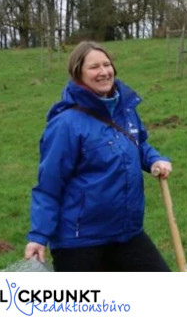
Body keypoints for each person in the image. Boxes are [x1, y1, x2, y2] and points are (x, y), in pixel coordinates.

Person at [24, 41, 173, 271]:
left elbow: (138, 143)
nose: (103, 72)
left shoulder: (125, 109)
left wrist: (153, 159)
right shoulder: (66, 124)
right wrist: (38, 235)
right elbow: (49, 184)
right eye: (94, 67)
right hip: (79, 242)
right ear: (78, 73)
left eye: (107, 64)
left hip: (126, 233)